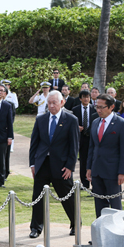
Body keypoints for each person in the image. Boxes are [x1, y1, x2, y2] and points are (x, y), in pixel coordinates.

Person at [28, 90, 78, 238]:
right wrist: (32, 164)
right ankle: (36, 227)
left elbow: (74, 146)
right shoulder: (41, 119)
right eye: (49, 103)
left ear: (62, 102)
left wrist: (70, 166)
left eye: (54, 103)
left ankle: (75, 223)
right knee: (38, 197)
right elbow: (34, 143)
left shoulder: (71, 120)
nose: (51, 106)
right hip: (42, 163)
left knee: (67, 196)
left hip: (62, 166)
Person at [87, 94, 124, 218]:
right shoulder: (95, 122)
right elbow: (92, 147)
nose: (99, 110)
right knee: (99, 205)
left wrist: (123, 172)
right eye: (97, 107)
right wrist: (89, 167)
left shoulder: (122, 124)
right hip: (97, 170)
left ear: (112, 107)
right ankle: (100, 235)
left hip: (113, 171)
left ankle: (118, 234)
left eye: (102, 107)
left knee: (115, 205)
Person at [72, 90, 96, 189]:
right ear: (80, 99)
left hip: (92, 138)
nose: (86, 99)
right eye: (84, 97)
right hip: (80, 138)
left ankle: (94, 184)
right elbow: (71, 123)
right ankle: (85, 184)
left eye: (88, 97)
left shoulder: (94, 109)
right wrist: (76, 127)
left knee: (93, 160)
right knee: (83, 161)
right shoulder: (75, 110)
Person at [1, 79, 18, 152]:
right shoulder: (0, 93)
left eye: (6, 85)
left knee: (10, 129)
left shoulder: (13, 94)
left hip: (10, 113)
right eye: (4, 85)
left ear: (9, 86)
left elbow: (16, 105)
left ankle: (11, 147)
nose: (5, 86)